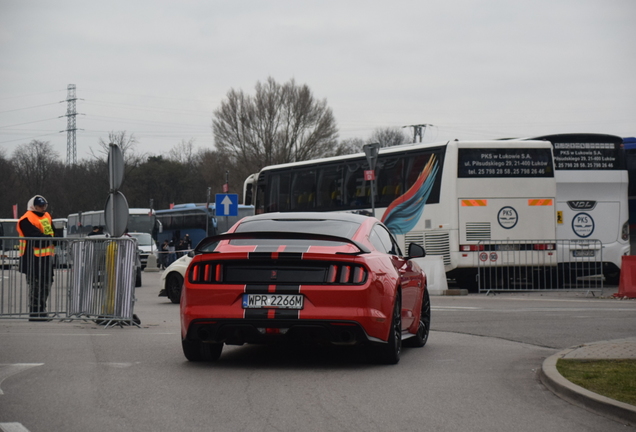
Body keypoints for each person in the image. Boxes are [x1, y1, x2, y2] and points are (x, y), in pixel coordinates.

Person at [16, 195, 55, 321]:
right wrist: (50, 239)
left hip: (46, 258)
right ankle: (35, 313)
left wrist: (51, 239)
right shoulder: (26, 219)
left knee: (47, 285)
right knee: (35, 287)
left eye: (44, 205)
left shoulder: (47, 216)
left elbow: (53, 232)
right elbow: (36, 238)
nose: (43, 208)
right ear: (33, 206)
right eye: (40, 206)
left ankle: (41, 310)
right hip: (33, 259)